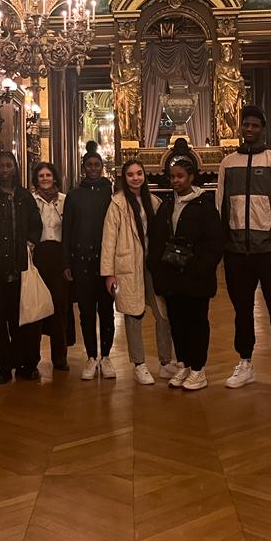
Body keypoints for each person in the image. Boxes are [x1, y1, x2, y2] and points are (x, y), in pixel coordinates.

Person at [216, 104, 271, 391]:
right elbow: (221, 204)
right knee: (242, 310)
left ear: (263, 129)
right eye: (245, 125)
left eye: (255, 125)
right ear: (241, 128)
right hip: (237, 252)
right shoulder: (227, 163)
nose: (249, 129)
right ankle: (245, 361)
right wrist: (225, 243)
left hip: (268, 251)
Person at [149, 158, 224, 390]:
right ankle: (184, 363)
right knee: (177, 323)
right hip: (172, 276)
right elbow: (157, 237)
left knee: (197, 322)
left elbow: (214, 242)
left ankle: (199, 369)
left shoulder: (205, 205)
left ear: (191, 177)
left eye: (180, 176)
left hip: (195, 276)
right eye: (172, 177)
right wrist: (158, 267)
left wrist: (199, 265)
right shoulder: (167, 204)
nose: (175, 181)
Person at [101, 159, 176, 385]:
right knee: (133, 314)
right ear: (125, 178)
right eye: (131, 174)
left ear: (144, 176)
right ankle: (139, 364)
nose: (135, 178)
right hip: (127, 266)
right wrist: (109, 273)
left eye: (139, 173)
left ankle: (165, 361)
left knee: (163, 313)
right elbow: (109, 240)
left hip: (151, 266)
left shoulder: (153, 201)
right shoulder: (117, 203)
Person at [0, 152, 43, 385]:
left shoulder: (25, 197)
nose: (4, 170)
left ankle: (28, 363)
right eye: (0, 166)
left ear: (15, 168)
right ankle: (3, 367)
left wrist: (30, 242)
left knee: (24, 318)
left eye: (8, 166)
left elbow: (36, 223)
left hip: (21, 266)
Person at [62, 145, 115, 380]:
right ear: (83, 168)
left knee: (106, 311)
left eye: (97, 165)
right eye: (89, 165)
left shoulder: (110, 193)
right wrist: (67, 263)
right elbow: (67, 230)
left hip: (104, 263)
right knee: (85, 312)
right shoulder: (74, 195)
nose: (93, 169)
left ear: (101, 167)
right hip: (81, 261)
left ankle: (107, 356)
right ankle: (91, 356)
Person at [32, 162, 70, 371]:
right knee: (36, 307)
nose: (45, 179)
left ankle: (60, 357)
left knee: (59, 308)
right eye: (41, 176)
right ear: (36, 179)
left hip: (58, 257)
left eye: (48, 175)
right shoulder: (31, 201)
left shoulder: (64, 201)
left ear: (54, 178)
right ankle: (33, 357)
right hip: (38, 256)